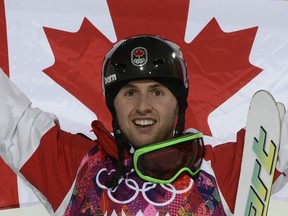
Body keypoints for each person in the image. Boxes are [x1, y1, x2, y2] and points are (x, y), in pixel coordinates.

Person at [0, 35, 287, 216]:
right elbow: (9, 117)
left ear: (179, 104)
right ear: (113, 104)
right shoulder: (73, 166)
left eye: (157, 92)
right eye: (129, 93)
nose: (143, 106)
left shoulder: (222, 172)